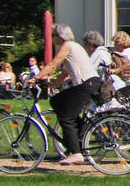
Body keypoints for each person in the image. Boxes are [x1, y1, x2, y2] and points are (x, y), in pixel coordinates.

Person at [34, 24, 101, 165]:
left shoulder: (67, 45)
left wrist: (35, 78)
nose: (51, 38)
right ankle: (80, 131)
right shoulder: (74, 46)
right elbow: (66, 71)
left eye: (53, 35)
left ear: (59, 36)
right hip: (88, 83)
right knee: (56, 100)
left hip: (85, 84)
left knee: (66, 118)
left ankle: (76, 153)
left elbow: (53, 64)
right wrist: (53, 84)